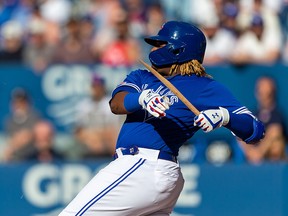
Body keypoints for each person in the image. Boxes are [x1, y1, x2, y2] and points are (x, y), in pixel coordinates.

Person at [59, 21, 265, 216]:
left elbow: (255, 130)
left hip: (145, 166)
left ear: (178, 49)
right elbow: (116, 103)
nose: (153, 48)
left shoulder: (204, 86)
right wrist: (140, 98)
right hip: (152, 173)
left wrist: (225, 117)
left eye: (160, 44)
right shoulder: (143, 76)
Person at [237, 76, 287, 163]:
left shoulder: (277, 114)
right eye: (261, 92)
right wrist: (251, 152)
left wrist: (259, 153)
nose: (264, 95)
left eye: (268, 93)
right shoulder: (252, 114)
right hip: (253, 151)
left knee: (276, 144)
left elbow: (276, 131)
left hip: (269, 153)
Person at [73, 74, 123, 158]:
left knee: (113, 137)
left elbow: (113, 128)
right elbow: (78, 130)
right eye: (94, 86)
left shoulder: (110, 104)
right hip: (90, 138)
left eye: (98, 87)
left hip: (107, 137)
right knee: (87, 138)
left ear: (103, 88)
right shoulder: (83, 105)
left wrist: (97, 135)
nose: (96, 89)